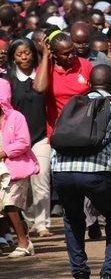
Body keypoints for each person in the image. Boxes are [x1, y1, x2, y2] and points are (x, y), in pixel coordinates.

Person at [52, 65, 111, 279]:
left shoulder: (73, 104)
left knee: (72, 218)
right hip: (97, 175)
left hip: (61, 172)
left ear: (89, 84)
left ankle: (79, 272)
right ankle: (110, 273)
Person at [5, 38, 51, 237]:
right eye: (19, 54)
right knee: (23, 183)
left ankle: (42, 225)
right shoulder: (9, 81)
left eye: (27, 53)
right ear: (13, 58)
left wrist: (47, 56)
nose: (24, 57)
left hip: (41, 137)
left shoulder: (43, 74)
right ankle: (29, 221)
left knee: (42, 178)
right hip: (17, 141)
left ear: (34, 53)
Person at [0, 77, 40, 258]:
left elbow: (24, 142)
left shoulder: (16, 117)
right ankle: (22, 235)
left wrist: (5, 152)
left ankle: (23, 242)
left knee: (10, 203)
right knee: (8, 207)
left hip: (16, 169)